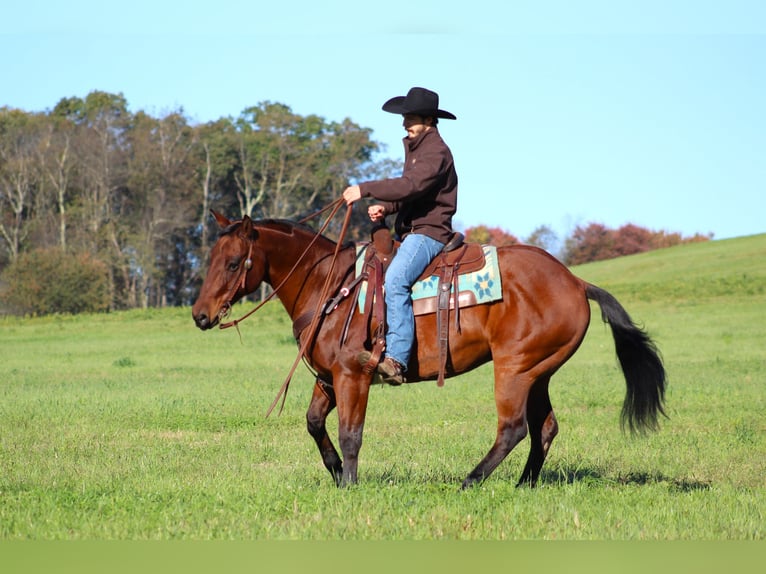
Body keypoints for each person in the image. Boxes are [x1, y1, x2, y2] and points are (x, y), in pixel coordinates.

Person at [342, 86, 458, 385]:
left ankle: (396, 359)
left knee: (395, 280)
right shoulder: (419, 149)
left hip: (429, 234)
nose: (405, 123)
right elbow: (411, 193)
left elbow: (411, 186)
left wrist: (365, 189)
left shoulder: (436, 151)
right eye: (405, 117)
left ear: (429, 121)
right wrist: (387, 207)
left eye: (411, 118)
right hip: (412, 231)